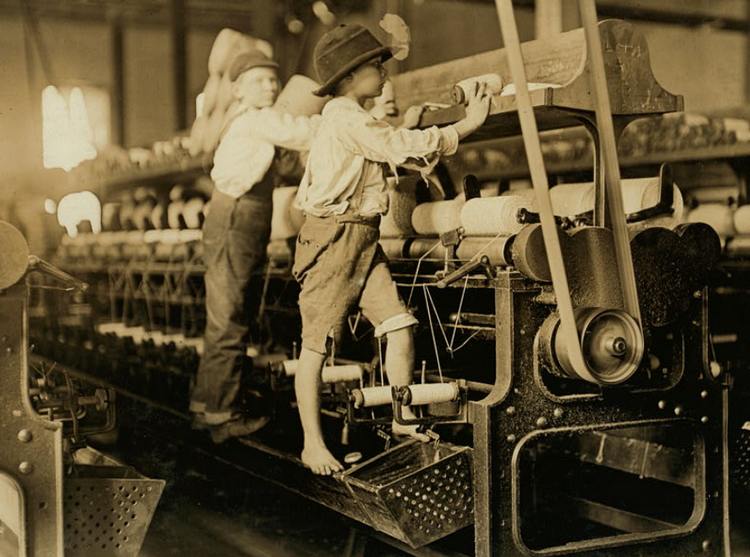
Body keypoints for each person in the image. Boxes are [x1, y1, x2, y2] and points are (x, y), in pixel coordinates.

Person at [292, 24, 490, 475]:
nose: (384, 73)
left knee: (399, 325)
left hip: (361, 237)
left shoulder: (353, 117)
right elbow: (398, 146)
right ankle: (311, 444)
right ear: (348, 77)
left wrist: (418, 126)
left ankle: (402, 418)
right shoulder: (346, 117)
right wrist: (466, 126)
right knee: (316, 348)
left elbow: (394, 144)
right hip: (333, 239)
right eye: (375, 66)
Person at [191, 49, 321, 443]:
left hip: (235, 218)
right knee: (230, 317)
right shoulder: (257, 119)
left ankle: (208, 404)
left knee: (228, 315)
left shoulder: (245, 122)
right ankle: (223, 417)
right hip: (238, 219)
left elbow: (283, 166)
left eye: (272, 79)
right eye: (258, 80)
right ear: (237, 89)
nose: (269, 85)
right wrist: (346, 116)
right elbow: (306, 132)